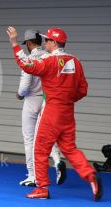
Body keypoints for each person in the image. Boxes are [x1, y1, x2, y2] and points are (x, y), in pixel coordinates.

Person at [7, 26, 102, 201]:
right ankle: (90, 176)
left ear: (54, 43)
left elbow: (26, 65)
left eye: (48, 40)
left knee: (40, 149)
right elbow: (83, 90)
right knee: (70, 149)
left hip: (51, 110)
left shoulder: (49, 61)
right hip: (68, 111)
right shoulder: (75, 61)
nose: (45, 42)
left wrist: (14, 43)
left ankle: (42, 188)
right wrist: (67, 99)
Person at [17, 29, 66, 187]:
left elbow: (24, 87)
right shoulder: (50, 57)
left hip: (31, 100)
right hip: (47, 101)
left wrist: (19, 94)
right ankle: (58, 161)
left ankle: (33, 175)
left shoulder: (30, 58)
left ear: (30, 43)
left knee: (30, 140)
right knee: (46, 137)